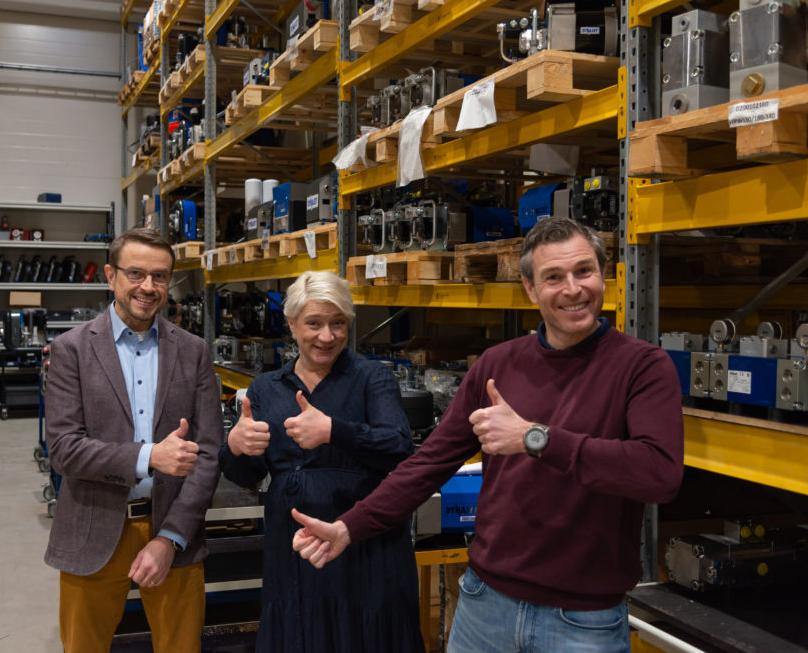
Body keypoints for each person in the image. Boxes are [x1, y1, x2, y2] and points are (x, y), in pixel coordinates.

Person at [291, 217, 684, 653]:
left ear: (604, 275)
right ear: (531, 289)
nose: (572, 289)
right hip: (485, 606)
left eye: (584, 272)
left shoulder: (643, 367)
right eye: (553, 277)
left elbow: (659, 474)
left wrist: (537, 438)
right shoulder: (498, 364)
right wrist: (350, 526)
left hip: (581, 620)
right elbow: (429, 463)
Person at [220, 270, 425, 653]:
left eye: (337, 324)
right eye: (314, 323)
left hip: (363, 540)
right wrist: (233, 446)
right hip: (293, 546)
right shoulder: (267, 388)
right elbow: (247, 474)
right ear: (293, 324)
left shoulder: (372, 379)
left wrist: (334, 430)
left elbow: (398, 447)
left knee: (366, 636)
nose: (326, 337)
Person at [44, 227, 223, 653]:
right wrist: (149, 457)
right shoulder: (72, 350)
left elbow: (210, 453)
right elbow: (64, 449)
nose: (148, 287)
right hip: (93, 526)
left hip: (173, 529)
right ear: (110, 275)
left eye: (160, 276)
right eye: (136, 273)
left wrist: (170, 538)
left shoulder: (194, 351)